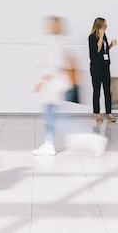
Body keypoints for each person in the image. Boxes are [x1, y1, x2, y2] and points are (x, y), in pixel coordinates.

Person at [32, 16, 73, 156]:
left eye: (50, 24)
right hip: (57, 83)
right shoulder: (59, 41)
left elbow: (55, 66)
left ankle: (49, 144)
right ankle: (49, 143)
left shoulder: (56, 43)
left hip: (54, 84)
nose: (48, 26)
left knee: (51, 115)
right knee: (52, 114)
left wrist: (42, 81)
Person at [88, 17, 117, 123]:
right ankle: (98, 113)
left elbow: (103, 50)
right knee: (97, 90)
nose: (106, 27)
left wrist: (110, 46)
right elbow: (97, 50)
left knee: (107, 90)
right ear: (100, 25)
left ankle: (109, 113)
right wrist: (100, 37)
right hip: (96, 67)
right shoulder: (92, 37)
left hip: (105, 66)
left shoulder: (104, 36)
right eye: (105, 25)